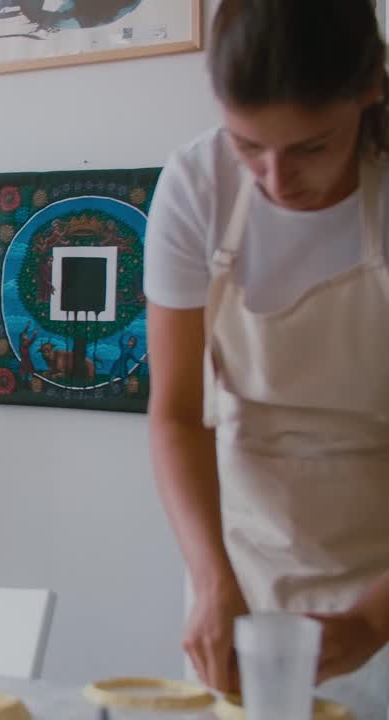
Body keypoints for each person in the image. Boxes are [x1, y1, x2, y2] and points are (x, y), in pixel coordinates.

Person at [145, 1, 389, 713]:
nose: (277, 181)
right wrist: (212, 580)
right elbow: (176, 415)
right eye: (249, 144)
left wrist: (373, 621)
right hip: (246, 564)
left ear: (369, 90)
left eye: (312, 146)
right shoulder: (197, 186)